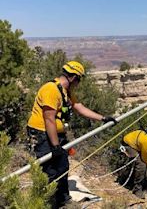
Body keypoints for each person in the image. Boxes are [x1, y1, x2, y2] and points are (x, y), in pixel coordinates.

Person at [27, 60, 117, 208]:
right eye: (79, 80)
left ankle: (63, 199)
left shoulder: (64, 91)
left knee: (62, 166)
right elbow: (49, 119)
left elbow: (78, 107)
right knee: (49, 171)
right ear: (74, 77)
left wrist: (103, 118)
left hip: (56, 134)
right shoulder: (51, 89)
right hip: (42, 134)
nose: (78, 83)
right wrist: (55, 146)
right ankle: (49, 203)